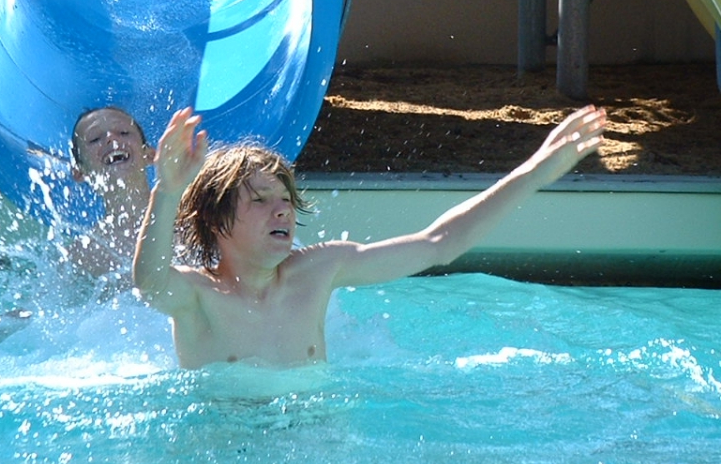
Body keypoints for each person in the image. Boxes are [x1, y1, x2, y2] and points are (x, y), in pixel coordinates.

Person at [133, 104, 607, 369]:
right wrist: (168, 190)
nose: (280, 209)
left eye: (284, 199)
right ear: (217, 221)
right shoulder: (197, 297)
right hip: (225, 447)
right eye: (259, 200)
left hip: (312, 444)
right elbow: (148, 280)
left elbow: (441, 243)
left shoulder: (318, 270)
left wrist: (534, 172)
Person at [63, 106, 155, 278]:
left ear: (150, 155)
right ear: (79, 172)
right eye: (95, 139)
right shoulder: (82, 254)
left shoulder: (195, 221)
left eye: (123, 133)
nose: (111, 139)